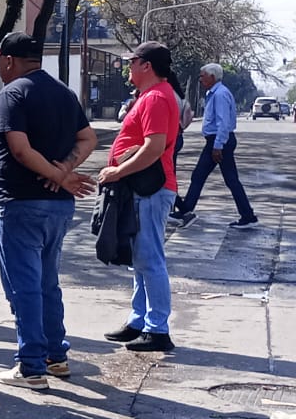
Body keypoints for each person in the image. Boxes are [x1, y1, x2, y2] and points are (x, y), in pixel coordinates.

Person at [0, 32, 97, 390]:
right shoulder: (63, 93)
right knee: (47, 283)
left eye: (0, 61)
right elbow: (88, 138)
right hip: (56, 209)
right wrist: (63, 171)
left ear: (9, 60)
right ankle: (55, 355)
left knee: (23, 287)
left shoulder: (14, 92)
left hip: (21, 202)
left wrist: (57, 176)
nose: (0, 67)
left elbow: (19, 149)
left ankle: (30, 365)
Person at [99, 41, 182, 352]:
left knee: (149, 258)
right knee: (140, 259)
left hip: (151, 189)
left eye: (132, 62)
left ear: (146, 65)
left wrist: (117, 172)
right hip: (142, 189)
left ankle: (158, 328)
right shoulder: (151, 96)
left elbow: (154, 147)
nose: (128, 68)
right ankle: (140, 320)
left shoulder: (157, 98)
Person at [169, 63, 258, 230]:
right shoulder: (215, 93)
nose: (200, 79)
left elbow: (223, 123)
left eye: (203, 76)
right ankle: (187, 210)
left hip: (219, 141)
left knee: (219, 178)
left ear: (212, 76)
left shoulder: (220, 94)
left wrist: (218, 146)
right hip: (217, 141)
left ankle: (247, 215)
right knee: (206, 177)